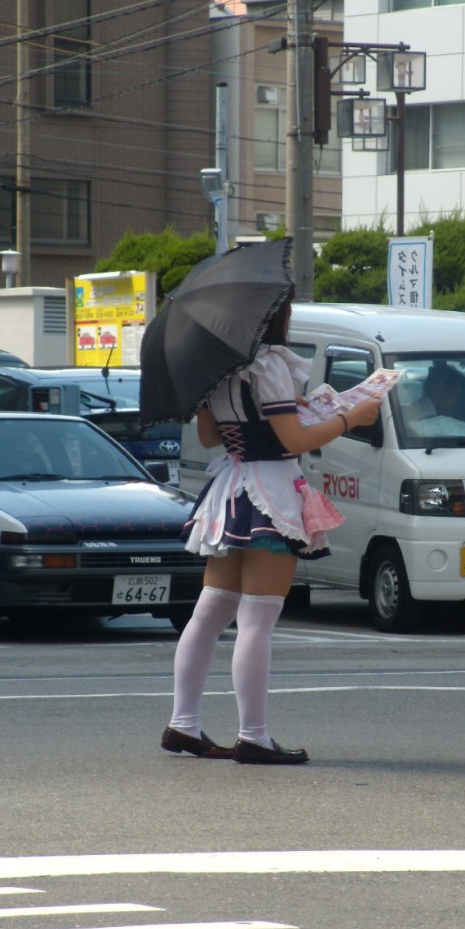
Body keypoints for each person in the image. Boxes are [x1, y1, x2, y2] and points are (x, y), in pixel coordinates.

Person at [161, 288, 382, 764]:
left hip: (232, 485)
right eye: (286, 308)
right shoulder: (270, 364)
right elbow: (293, 440)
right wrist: (350, 417)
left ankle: (183, 724)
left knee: (210, 614)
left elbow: (208, 435)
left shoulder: (214, 366)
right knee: (256, 620)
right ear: (272, 315)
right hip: (272, 491)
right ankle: (253, 736)